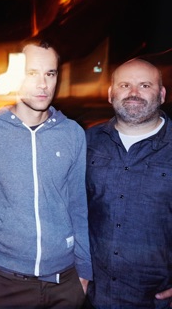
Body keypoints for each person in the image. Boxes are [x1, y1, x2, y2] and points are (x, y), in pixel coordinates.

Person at [0, 39, 92, 309]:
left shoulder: (72, 133)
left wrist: (84, 273)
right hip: (4, 282)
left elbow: (78, 206)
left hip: (65, 281)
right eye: (32, 73)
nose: (43, 84)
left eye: (50, 73)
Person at [86, 58, 172, 309]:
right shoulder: (86, 142)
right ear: (110, 94)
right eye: (124, 85)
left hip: (155, 299)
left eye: (145, 85)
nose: (134, 93)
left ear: (162, 94)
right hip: (93, 295)